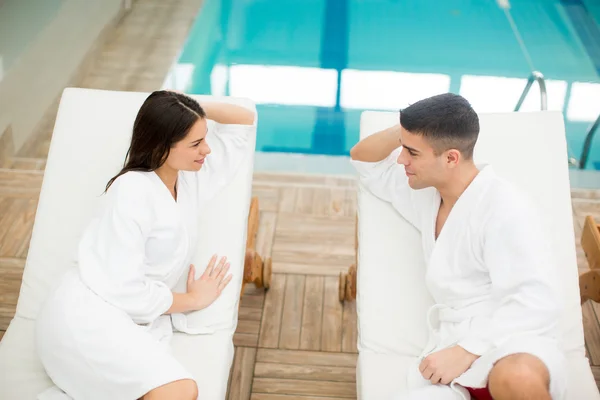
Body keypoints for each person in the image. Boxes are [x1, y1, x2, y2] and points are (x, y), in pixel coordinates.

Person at [35, 90, 256, 400]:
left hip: (123, 318)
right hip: (85, 317)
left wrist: (186, 109)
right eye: (195, 143)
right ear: (161, 146)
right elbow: (123, 288)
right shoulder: (132, 192)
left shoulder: (191, 176)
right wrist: (191, 299)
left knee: (177, 391)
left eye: (205, 138)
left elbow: (244, 121)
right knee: (182, 390)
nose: (206, 149)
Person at [350, 93, 566, 400]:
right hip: (450, 365)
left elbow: (538, 301)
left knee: (515, 379)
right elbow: (363, 160)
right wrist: (409, 130)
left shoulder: (504, 208)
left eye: (411, 152)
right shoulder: (424, 193)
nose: (401, 160)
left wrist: (467, 350)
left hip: (513, 344)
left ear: (451, 158)